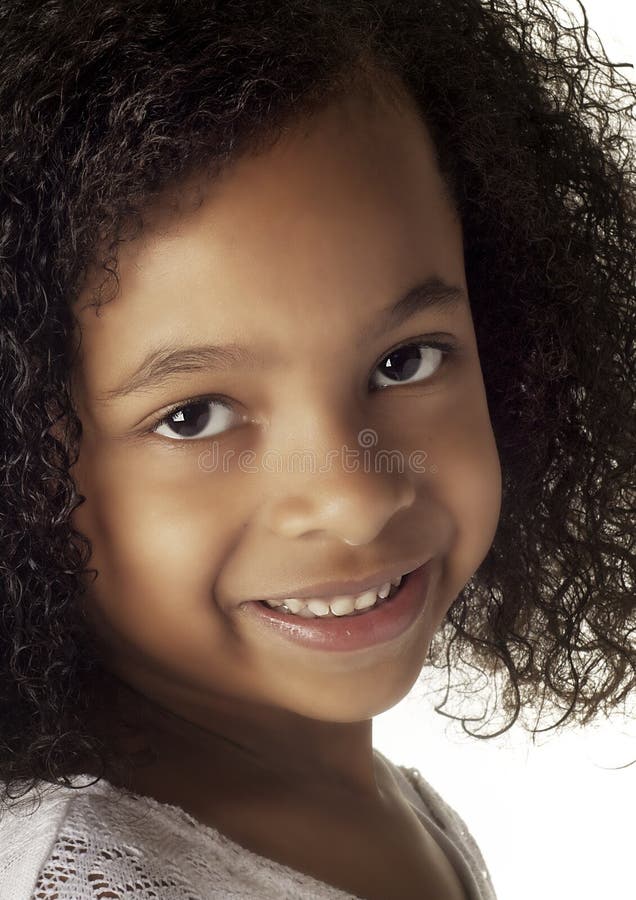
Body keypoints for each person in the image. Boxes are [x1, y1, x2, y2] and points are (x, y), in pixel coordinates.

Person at [0, 1, 633, 898]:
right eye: (196, 416)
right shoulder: (84, 879)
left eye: (403, 361)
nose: (353, 497)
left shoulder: (369, 798)